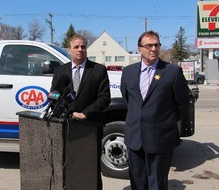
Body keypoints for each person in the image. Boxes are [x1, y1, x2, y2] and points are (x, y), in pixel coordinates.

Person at [120, 30, 190, 190]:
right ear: (139, 49)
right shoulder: (128, 72)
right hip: (135, 138)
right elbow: (129, 101)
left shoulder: (172, 72)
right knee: (137, 182)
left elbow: (183, 104)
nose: (153, 49)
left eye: (156, 45)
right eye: (149, 45)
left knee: (157, 183)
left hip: (160, 139)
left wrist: (164, 122)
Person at [51, 34, 111, 190]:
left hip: (90, 126)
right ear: (69, 50)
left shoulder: (98, 70)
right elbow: (54, 98)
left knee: (90, 167)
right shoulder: (60, 71)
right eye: (76, 47)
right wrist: (67, 113)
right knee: (69, 165)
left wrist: (85, 113)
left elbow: (104, 98)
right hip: (67, 126)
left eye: (83, 46)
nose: (80, 50)